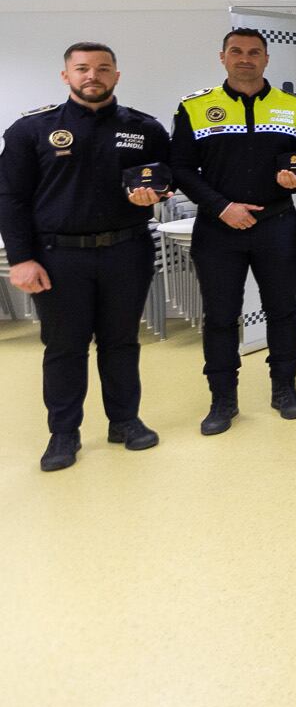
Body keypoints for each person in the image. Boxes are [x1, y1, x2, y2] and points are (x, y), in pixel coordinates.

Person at [0, 43, 170, 471]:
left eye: (102, 68)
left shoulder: (145, 128)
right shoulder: (31, 131)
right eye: (82, 69)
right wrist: (21, 259)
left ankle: (125, 422)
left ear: (116, 74)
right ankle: (63, 433)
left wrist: (158, 193)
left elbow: (163, 179)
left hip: (126, 250)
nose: (92, 75)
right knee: (64, 347)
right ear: (66, 76)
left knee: (122, 342)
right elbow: (10, 198)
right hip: (59, 257)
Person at [169, 27, 296, 434]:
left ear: (266, 59)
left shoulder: (295, 108)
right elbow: (180, 168)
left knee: (283, 311)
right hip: (219, 228)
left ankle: (285, 390)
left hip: (277, 224)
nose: (245, 58)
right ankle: (222, 400)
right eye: (236, 51)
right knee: (220, 317)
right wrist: (221, 207)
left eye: (254, 52)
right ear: (223, 58)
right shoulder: (196, 107)